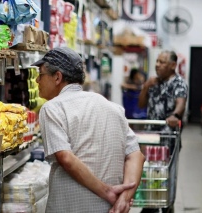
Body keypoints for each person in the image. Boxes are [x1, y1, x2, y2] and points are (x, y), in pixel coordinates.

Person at [32, 47, 145, 213]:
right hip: (110, 208)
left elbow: (66, 158)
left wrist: (107, 192)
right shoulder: (113, 108)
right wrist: (124, 199)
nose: (36, 80)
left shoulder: (52, 108)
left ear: (57, 77)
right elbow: (136, 155)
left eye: (40, 74)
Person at [138, 50, 188, 213]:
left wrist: (175, 115)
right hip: (150, 138)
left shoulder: (178, 83)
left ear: (173, 66)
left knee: (166, 172)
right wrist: (146, 86)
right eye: (157, 61)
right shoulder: (153, 82)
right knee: (149, 171)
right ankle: (150, 205)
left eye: (162, 62)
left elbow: (181, 103)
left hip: (168, 138)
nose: (157, 65)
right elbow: (141, 104)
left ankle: (167, 205)